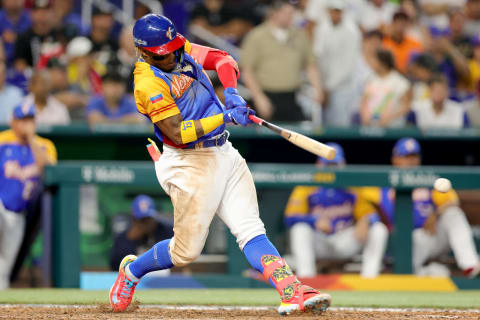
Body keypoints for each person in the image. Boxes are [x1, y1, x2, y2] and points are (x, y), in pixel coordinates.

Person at [109, 14, 331, 316]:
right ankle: (133, 271)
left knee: (251, 229)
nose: (174, 55)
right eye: (165, 52)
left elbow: (223, 59)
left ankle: (292, 289)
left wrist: (232, 91)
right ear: (144, 52)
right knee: (185, 252)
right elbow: (178, 133)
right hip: (188, 162)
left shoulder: (177, 48)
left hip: (223, 151)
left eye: (175, 48)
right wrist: (225, 116)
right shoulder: (147, 84)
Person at [284, 143, 388, 278]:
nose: (331, 170)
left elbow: (372, 214)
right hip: (320, 240)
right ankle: (307, 278)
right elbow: (289, 218)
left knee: (378, 229)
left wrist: (367, 219)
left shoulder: (352, 185)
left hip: (345, 240)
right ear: (319, 164)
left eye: (334, 165)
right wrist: (313, 220)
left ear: (342, 164)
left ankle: (369, 278)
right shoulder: (307, 185)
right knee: (300, 229)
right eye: (328, 165)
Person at [391, 138, 480, 277]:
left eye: (414, 157)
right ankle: (429, 273)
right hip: (404, 240)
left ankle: (470, 266)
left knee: (453, 214)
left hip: (429, 234)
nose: (411, 161)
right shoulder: (384, 185)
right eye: (406, 157)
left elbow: (452, 202)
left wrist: (435, 214)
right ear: (395, 159)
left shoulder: (429, 180)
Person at [0, 104, 57, 289]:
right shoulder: (3, 140)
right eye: (22, 120)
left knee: (4, 270)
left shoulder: (44, 145)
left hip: (18, 214)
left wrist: (31, 138)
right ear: (12, 122)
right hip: (1, 207)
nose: (26, 124)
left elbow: (47, 169)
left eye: (29, 120)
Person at [241, 0, 323, 122]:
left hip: (292, 97)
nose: (291, 16)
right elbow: (247, 70)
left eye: (292, 13)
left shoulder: (300, 35)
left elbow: (310, 64)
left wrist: (318, 89)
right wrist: (259, 97)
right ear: (275, 13)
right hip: (266, 96)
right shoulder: (257, 36)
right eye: (287, 13)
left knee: (297, 135)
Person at [309, 0, 361, 127]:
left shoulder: (351, 31)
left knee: (339, 125)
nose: (335, 14)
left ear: (343, 12)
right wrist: (321, 86)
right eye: (332, 10)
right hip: (323, 86)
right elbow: (318, 55)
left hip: (342, 87)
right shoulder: (323, 27)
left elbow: (348, 66)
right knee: (321, 125)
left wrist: (328, 88)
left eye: (338, 11)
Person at [110, 195, 174, 271]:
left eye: (148, 219)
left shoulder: (165, 231)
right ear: (134, 220)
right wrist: (131, 239)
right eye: (142, 220)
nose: (146, 223)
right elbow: (115, 266)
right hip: (136, 278)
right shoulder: (124, 238)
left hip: (163, 278)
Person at [360, 48, 412, 127]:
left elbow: (406, 106)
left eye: (374, 60)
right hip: (371, 126)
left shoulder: (400, 82)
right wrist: (364, 117)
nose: (371, 63)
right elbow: (364, 101)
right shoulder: (370, 79)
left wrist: (389, 118)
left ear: (382, 62)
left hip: (393, 128)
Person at [13, 0, 59, 72]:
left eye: (46, 10)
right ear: (31, 14)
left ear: (53, 13)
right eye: (38, 11)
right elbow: (19, 65)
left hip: (55, 77)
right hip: (31, 79)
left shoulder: (59, 35)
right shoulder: (24, 38)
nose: (42, 15)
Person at [0, 0, 31, 65]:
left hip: (27, 64)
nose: (14, 1)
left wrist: (18, 38)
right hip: (3, 64)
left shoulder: (31, 17)